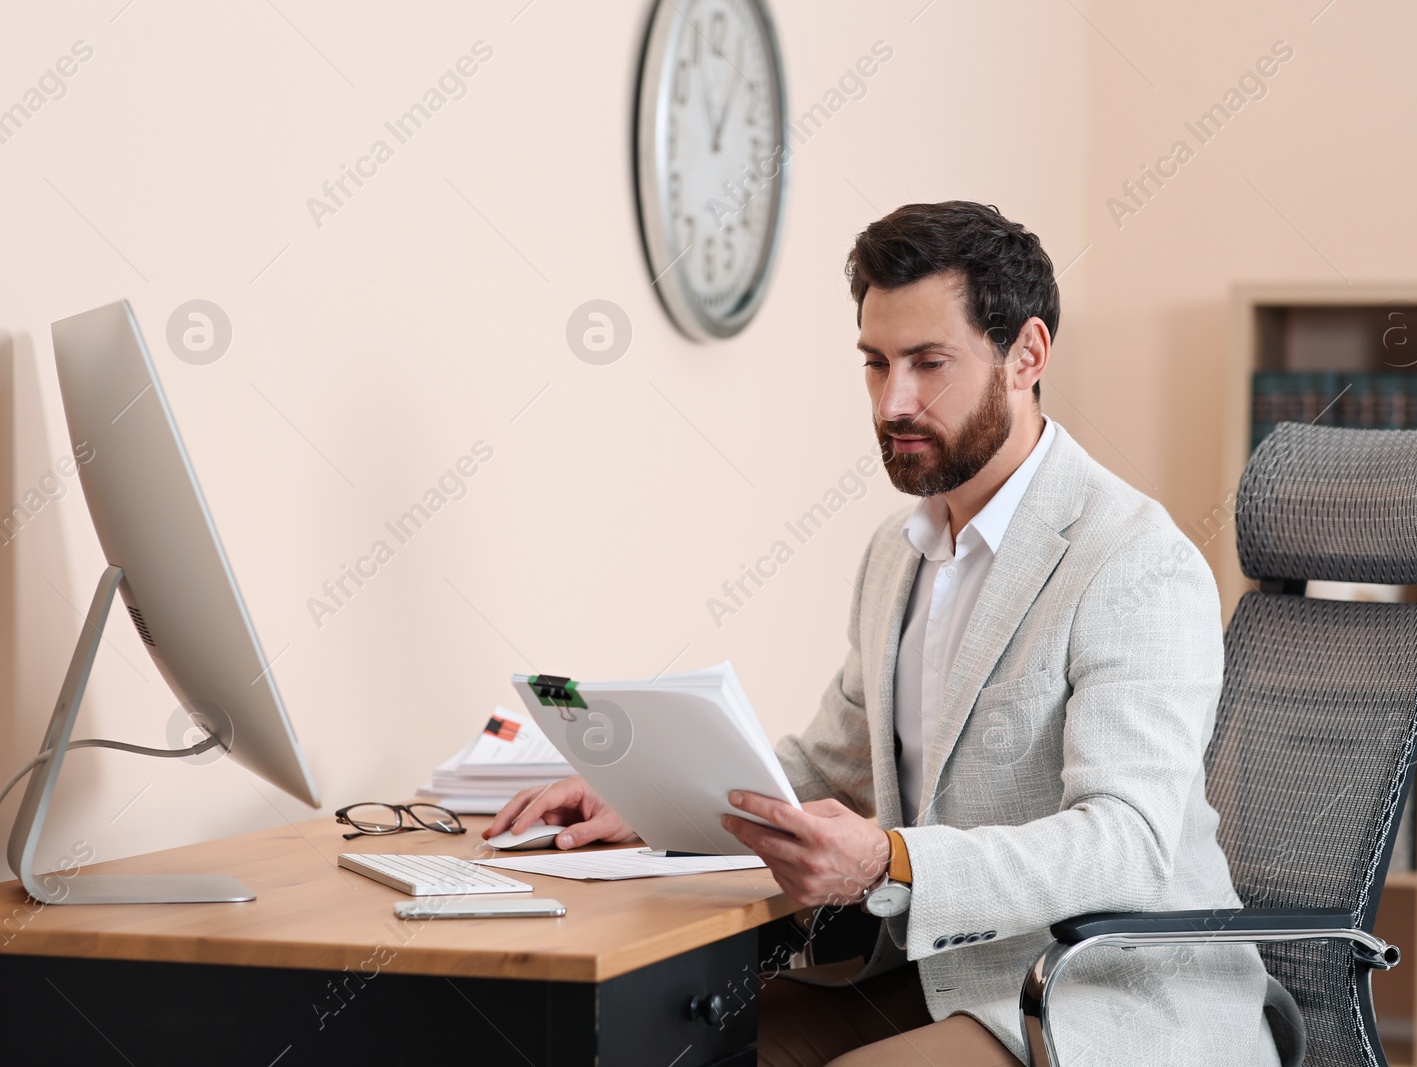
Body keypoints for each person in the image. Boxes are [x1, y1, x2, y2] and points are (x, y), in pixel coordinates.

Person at [486, 202, 1286, 1066]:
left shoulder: (1133, 561)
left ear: (1027, 355)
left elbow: (1124, 842)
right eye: (876, 364)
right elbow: (829, 765)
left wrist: (888, 863)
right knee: (680, 1046)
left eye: (928, 363)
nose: (893, 401)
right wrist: (648, 797)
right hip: (941, 971)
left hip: (1108, 994)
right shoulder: (896, 553)